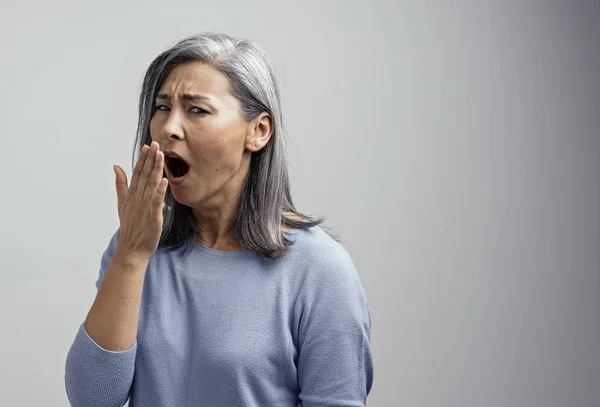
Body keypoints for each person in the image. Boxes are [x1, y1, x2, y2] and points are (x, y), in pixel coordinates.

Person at [64, 32, 374, 407]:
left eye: (196, 110)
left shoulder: (320, 271)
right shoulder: (135, 245)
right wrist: (130, 256)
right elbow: (91, 399)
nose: (168, 128)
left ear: (258, 131)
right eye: (162, 108)